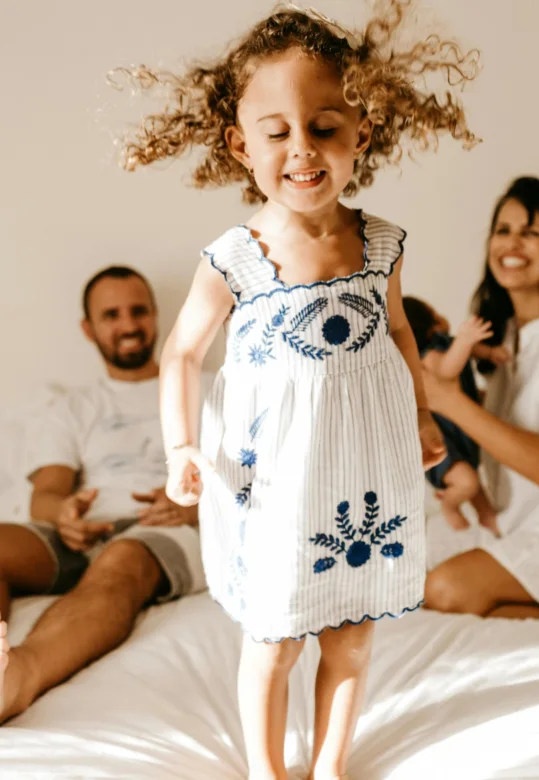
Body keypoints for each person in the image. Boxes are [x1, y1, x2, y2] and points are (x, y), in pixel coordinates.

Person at [119, 4, 479, 778]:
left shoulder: (380, 244)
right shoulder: (236, 258)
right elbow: (180, 353)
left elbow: (400, 334)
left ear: (364, 130)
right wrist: (182, 445)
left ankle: (328, 767)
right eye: (276, 131)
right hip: (276, 478)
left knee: (351, 632)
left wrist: (420, 412)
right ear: (239, 143)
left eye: (324, 125)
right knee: (277, 636)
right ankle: (265, 769)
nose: (302, 149)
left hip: (364, 473)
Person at [0, 266, 205, 724]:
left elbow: (252, 480)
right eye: (111, 315)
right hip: (84, 531)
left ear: (156, 317)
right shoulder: (73, 407)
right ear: (88, 328)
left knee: (121, 563)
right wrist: (65, 514)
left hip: (165, 528)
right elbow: (47, 495)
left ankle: (18, 679)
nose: (129, 325)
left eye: (138, 311)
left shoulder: (206, 390)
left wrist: (195, 502)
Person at [423, 176, 539, 620]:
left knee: (446, 589)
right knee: (402, 568)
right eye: (503, 230)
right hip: (521, 527)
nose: (512, 242)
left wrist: (447, 400)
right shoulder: (506, 340)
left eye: (531, 231)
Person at [403, 297, 509, 534]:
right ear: (429, 324)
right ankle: (450, 505)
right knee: (467, 481)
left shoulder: (448, 343)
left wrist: (489, 353)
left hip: (461, 431)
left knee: (476, 484)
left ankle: (489, 518)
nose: (441, 316)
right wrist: (466, 338)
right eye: (434, 312)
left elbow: (471, 350)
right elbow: (447, 369)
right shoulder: (429, 355)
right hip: (444, 439)